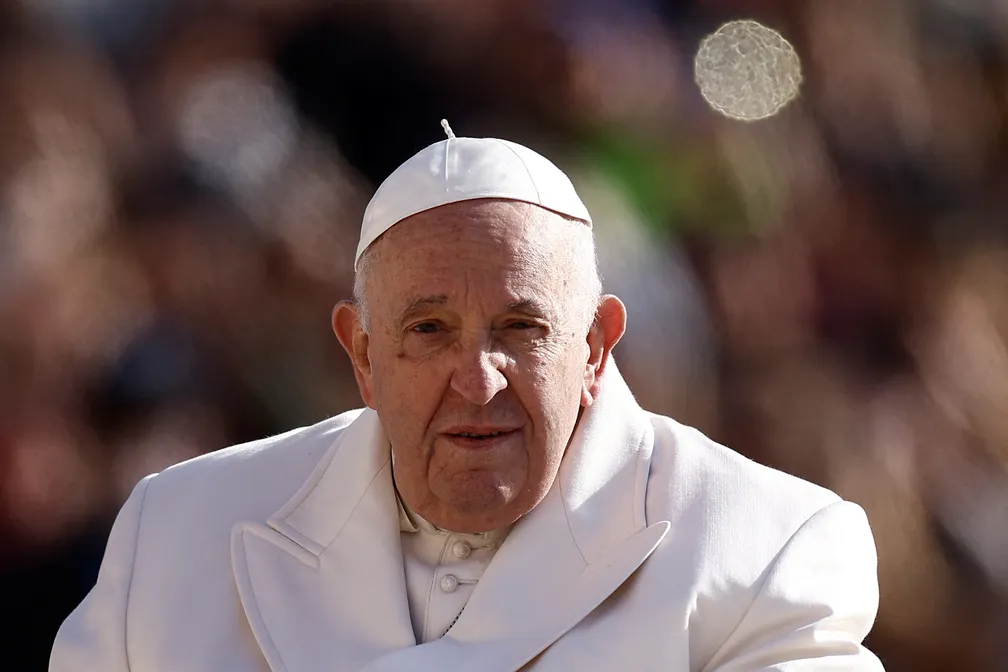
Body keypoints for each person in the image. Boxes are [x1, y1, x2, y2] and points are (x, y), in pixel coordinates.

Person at [50, 122, 884, 671]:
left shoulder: (768, 550)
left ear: (594, 346)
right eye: (429, 330)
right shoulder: (178, 536)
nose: (477, 379)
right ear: (363, 355)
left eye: (521, 327)